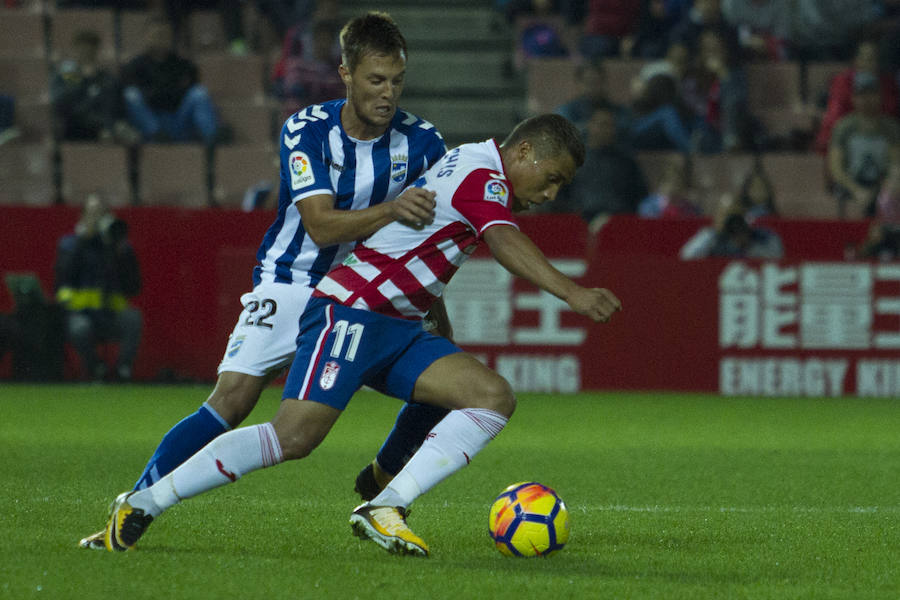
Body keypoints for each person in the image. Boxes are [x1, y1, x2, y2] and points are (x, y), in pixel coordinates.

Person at [100, 113, 622, 556]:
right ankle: (146, 500)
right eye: (551, 178)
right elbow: (504, 241)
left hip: (396, 324)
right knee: (294, 437)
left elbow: (427, 241)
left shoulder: (472, 165)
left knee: (490, 396)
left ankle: (385, 503)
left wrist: (431, 306)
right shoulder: (484, 175)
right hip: (351, 311)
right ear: (524, 150)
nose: (550, 194)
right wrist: (572, 293)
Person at [77, 11, 447, 549]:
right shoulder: (307, 128)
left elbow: (429, 240)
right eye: (375, 80)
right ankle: (134, 507)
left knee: (445, 382)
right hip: (292, 281)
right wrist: (393, 211)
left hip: (368, 296)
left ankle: (380, 480)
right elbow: (319, 226)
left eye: (397, 80)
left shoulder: (424, 142)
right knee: (230, 401)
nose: (388, 93)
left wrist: (434, 306)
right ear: (345, 73)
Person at [54, 194, 142, 381]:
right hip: (82, 312)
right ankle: (95, 367)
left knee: (133, 319)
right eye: (92, 213)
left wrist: (119, 253)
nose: (97, 219)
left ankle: (122, 370)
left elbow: (133, 287)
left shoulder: (120, 248)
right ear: (83, 217)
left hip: (111, 314)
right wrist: (83, 240)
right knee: (79, 328)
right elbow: (63, 279)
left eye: (101, 214)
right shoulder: (70, 245)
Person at [120, 18, 220, 144]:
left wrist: (157, 93)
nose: (160, 39)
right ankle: (157, 134)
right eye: (156, 35)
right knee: (130, 94)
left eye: (164, 35)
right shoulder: (133, 67)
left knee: (199, 94)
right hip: (149, 123)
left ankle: (212, 140)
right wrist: (163, 93)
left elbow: (186, 92)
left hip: (177, 121)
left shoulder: (183, 65)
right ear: (146, 37)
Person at [554, 106, 648, 225]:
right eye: (602, 124)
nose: (606, 130)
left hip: (619, 225)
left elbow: (640, 196)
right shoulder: (572, 160)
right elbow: (559, 196)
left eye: (610, 125)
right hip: (578, 224)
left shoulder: (626, 162)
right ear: (590, 125)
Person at [827, 72, 900, 218]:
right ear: (854, 98)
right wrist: (856, 190)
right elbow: (835, 167)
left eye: (871, 94)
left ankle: (889, 231)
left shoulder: (891, 128)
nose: (867, 99)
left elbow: (896, 163)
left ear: (880, 96)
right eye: (862, 95)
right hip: (850, 184)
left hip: (882, 185)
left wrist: (887, 185)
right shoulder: (844, 127)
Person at [50, 30, 139, 145]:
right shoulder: (69, 73)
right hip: (77, 127)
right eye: (82, 49)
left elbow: (114, 106)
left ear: (96, 51)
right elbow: (69, 105)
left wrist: (110, 126)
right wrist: (82, 78)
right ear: (75, 50)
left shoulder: (106, 78)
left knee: (128, 135)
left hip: (106, 125)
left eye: (90, 49)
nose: (86, 53)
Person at [813, 38, 900, 155]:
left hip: (882, 139)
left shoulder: (889, 83)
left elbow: (892, 116)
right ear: (856, 61)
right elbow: (834, 117)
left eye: (874, 59)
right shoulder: (843, 82)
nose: (870, 64)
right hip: (849, 140)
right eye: (865, 58)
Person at [680, 196, 783, 259]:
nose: (733, 224)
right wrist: (716, 234)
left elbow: (778, 257)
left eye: (735, 215)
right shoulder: (710, 237)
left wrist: (748, 245)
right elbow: (686, 256)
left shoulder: (763, 236)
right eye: (726, 215)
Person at [637, 152, 703, 217]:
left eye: (678, 185)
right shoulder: (648, 206)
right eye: (669, 183)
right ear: (661, 184)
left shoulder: (691, 208)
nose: (673, 189)